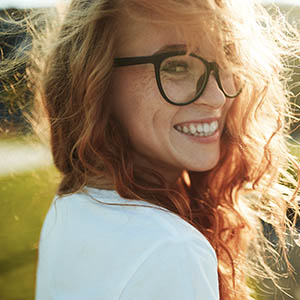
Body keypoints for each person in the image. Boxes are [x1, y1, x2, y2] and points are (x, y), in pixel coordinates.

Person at [4, 0, 298, 299]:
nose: (217, 97)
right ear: (94, 81)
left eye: (226, 60)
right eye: (177, 65)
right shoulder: (170, 248)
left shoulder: (76, 204)